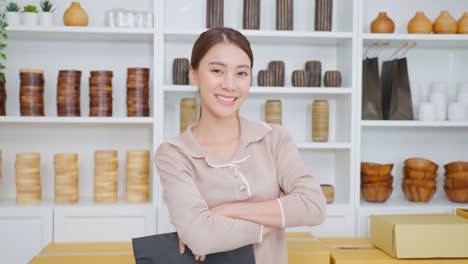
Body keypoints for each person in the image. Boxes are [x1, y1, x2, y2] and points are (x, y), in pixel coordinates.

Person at [154, 27, 327, 264]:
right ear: (193, 75)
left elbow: (314, 206)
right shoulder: (174, 154)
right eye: (217, 70)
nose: (230, 84)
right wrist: (279, 214)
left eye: (241, 73)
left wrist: (224, 212)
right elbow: (200, 237)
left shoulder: (275, 139)